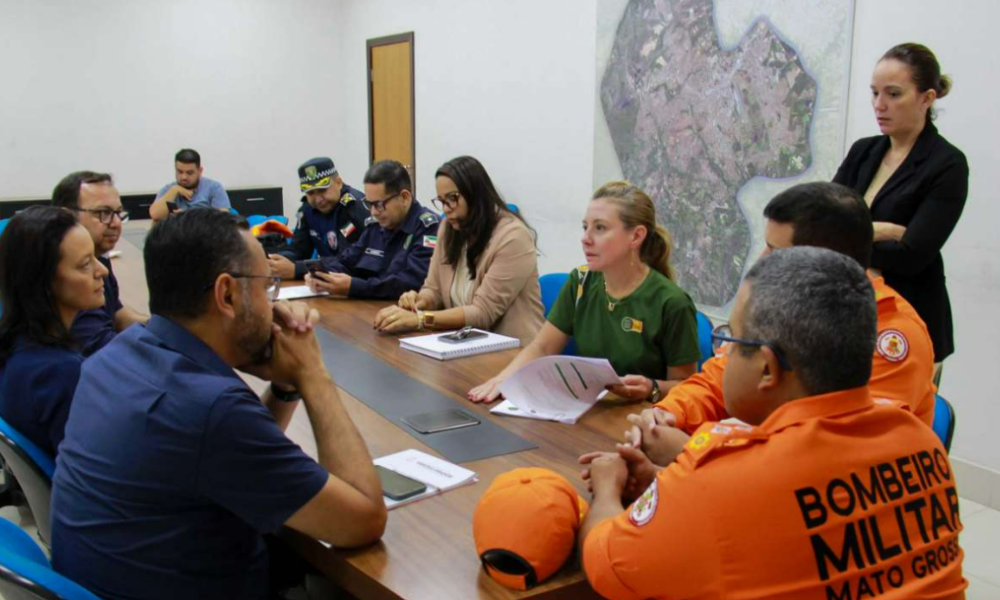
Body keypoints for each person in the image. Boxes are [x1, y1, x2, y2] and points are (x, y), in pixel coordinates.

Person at [579, 248, 966, 600]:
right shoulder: (921, 441)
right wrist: (669, 485)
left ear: (766, 367)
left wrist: (608, 486)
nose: (722, 355)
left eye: (729, 341)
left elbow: (606, 566)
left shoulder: (727, 477)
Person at [51, 210, 387, 599]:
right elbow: (363, 518)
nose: (271, 304)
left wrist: (284, 387)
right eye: (266, 288)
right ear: (227, 294)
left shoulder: (118, 354)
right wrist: (312, 374)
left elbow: (226, 459)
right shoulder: (207, 409)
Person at [636, 182, 937, 463]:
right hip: (759, 470)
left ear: (824, 262)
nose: (762, 260)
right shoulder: (782, 303)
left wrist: (698, 447)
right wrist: (667, 415)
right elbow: (721, 376)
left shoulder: (893, 335)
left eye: (776, 251)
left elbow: (832, 451)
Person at [469, 181, 699, 403]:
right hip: (589, 410)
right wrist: (503, 380)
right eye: (585, 227)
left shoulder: (671, 302)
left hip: (642, 423)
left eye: (600, 228)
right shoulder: (580, 282)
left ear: (636, 236)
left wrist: (653, 388)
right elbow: (543, 347)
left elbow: (687, 388)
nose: (585, 238)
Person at [833, 43, 968, 380]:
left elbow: (912, 256)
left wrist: (847, 236)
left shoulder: (947, 164)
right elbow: (819, 223)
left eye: (894, 94)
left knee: (898, 426)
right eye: (875, 93)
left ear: (927, 98)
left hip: (910, 321)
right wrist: (881, 230)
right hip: (851, 313)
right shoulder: (864, 151)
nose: (880, 105)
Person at [373, 156, 544, 342]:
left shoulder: (513, 237)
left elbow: (482, 313)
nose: (446, 209)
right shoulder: (448, 228)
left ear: (476, 194)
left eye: (452, 199)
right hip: (463, 342)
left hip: (512, 352)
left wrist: (420, 319)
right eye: (441, 200)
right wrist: (419, 302)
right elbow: (434, 289)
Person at [0, 206, 108, 455]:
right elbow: (93, 474)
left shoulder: (16, 343)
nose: (102, 270)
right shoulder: (61, 373)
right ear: (43, 282)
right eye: (84, 265)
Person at [304, 159, 438, 299]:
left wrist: (353, 286)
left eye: (379, 204)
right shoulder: (376, 226)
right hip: (369, 310)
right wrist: (321, 274)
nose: (373, 212)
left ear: (404, 198)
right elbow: (347, 261)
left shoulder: (429, 229)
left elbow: (410, 283)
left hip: (405, 313)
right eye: (370, 204)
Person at [51, 171, 148, 356]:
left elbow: (118, 315)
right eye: (103, 213)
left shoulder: (98, 257)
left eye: (118, 213)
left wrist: (165, 330)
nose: (116, 223)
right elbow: (103, 349)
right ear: (65, 216)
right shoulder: (66, 276)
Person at [268, 157, 374, 280]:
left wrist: (297, 269)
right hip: (327, 284)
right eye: (311, 193)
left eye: (323, 190)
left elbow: (347, 262)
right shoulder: (308, 210)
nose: (318, 199)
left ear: (339, 183)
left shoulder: (351, 209)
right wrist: (274, 260)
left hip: (362, 283)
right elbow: (299, 250)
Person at [149, 148, 231, 221]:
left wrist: (189, 216)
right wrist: (174, 190)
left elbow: (223, 218)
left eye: (189, 173)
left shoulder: (214, 188)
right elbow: (155, 215)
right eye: (180, 172)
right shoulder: (169, 189)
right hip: (176, 235)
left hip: (205, 234)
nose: (184, 177)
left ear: (200, 171)